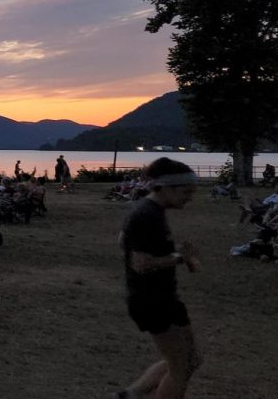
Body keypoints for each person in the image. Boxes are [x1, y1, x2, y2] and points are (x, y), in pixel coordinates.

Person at [114, 158, 202, 399]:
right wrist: (180, 258)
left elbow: (123, 240)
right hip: (151, 300)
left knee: (192, 359)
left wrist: (174, 256)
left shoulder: (150, 210)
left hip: (164, 296)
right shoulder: (146, 214)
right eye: (186, 191)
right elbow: (141, 264)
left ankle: (129, 395)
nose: (190, 197)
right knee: (180, 367)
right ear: (165, 188)